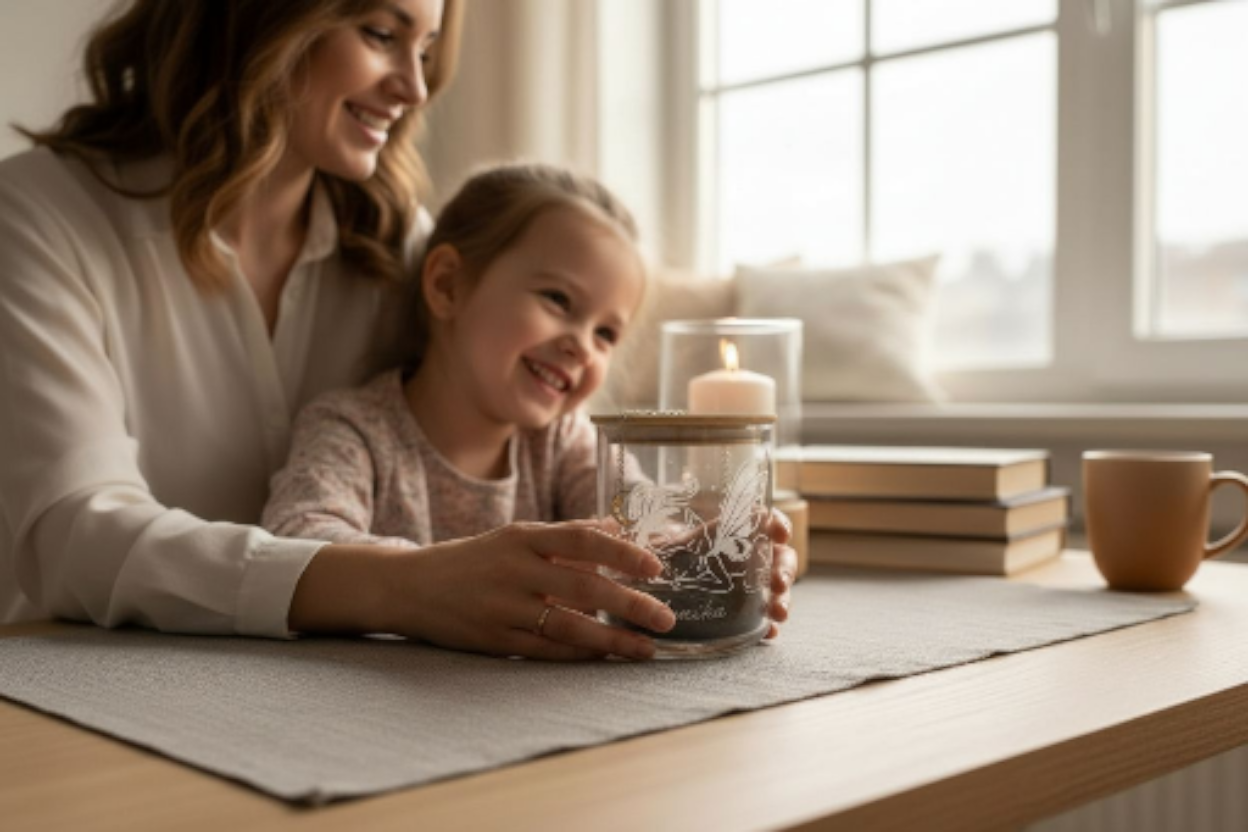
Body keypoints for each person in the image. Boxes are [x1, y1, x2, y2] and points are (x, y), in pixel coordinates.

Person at [0, 0, 795, 659]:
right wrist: (409, 586)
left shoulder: (404, 252)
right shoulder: (39, 218)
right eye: (381, 33)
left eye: (428, 48)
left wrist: (701, 555)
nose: (415, 87)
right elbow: (73, 537)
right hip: (66, 675)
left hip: (310, 686)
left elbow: (571, 454)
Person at [262, 162, 798, 659]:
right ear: (447, 285)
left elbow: (643, 532)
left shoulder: (564, 443)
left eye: (606, 333)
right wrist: (437, 578)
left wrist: (715, 551)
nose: (582, 346)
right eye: (559, 301)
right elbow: (297, 543)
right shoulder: (352, 427)